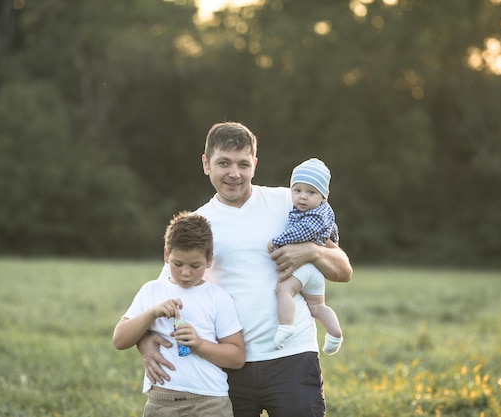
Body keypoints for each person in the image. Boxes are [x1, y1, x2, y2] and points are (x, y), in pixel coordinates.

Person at [138, 122, 353, 417]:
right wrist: (144, 338)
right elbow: (165, 291)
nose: (234, 174)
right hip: (227, 367)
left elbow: (343, 270)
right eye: (223, 163)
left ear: (255, 164)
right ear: (206, 164)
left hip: (292, 358)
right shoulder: (198, 223)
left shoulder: (289, 203)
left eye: (243, 164)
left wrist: (312, 251)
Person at [112, 211, 245, 417]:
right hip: (161, 403)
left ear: (209, 260)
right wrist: (152, 314)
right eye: (177, 264)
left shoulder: (218, 297)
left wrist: (199, 344)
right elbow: (120, 340)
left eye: (195, 266)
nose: (185, 273)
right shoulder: (152, 291)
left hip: (210, 403)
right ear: (166, 255)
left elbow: (237, 357)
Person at [269, 158, 343, 355]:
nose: (302, 197)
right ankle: (334, 333)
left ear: (323, 197)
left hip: (304, 267)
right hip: (315, 271)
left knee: (283, 290)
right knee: (318, 307)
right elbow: (333, 234)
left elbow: (301, 232)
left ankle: (286, 326)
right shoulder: (326, 212)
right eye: (297, 190)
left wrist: (277, 242)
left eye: (311, 192)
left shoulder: (313, 216)